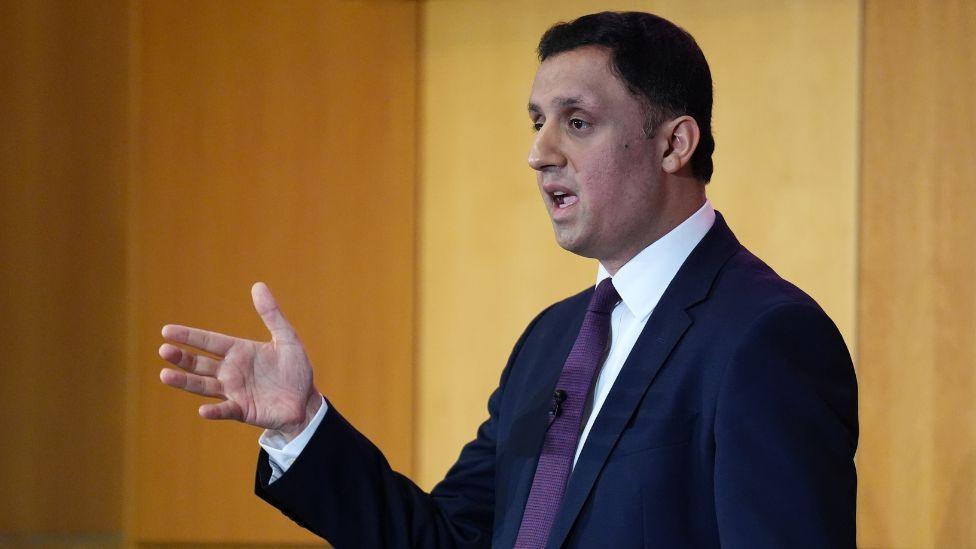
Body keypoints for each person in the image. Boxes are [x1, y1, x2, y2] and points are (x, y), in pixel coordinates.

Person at [158, 11, 857, 548]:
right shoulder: (552, 340)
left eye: (576, 122)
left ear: (675, 142)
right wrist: (302, 426)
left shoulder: (766, 337)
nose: (538, 153)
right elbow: (449, 538)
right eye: (536, 122)